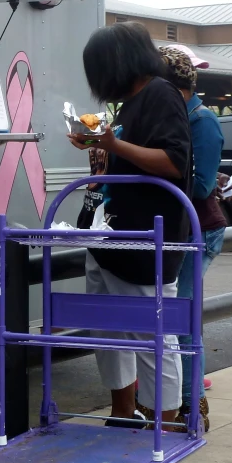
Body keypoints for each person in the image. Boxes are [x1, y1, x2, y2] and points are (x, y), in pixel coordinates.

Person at [68, 22, 192, 429]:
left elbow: (174, 162)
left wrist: (111, 144)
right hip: (112, 235)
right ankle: (123, 410)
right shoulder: (130, 103)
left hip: (146, 241)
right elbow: (126, 159)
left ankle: (165, 422)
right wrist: (96, 146)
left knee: (151, 337)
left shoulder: (161, 93)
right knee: (108, 330)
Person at [157, 45, 226, 432]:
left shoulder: (202, 121)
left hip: (200, 230)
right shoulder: (171, 117)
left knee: (180, 318)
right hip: (174, 229)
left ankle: (190, 405)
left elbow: (200, 186)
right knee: (173, 318)